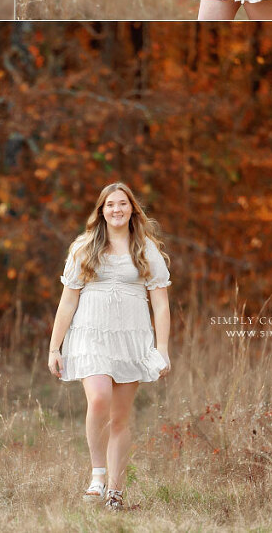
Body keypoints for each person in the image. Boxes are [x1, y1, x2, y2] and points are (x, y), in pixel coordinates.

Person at [47, 182, 171, 511]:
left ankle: (115, 493)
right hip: (91, 335)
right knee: (99, 397)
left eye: (122, 204)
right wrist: (54, 348)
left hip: (131, 339)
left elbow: (160, 304)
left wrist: (162, 349)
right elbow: (67, 302)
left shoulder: (145, 249)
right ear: (101, 211)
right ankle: (98, 475)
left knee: (120, 419)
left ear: (132, 210)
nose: (116, 209)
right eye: (110, 205)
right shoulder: (85, 248)